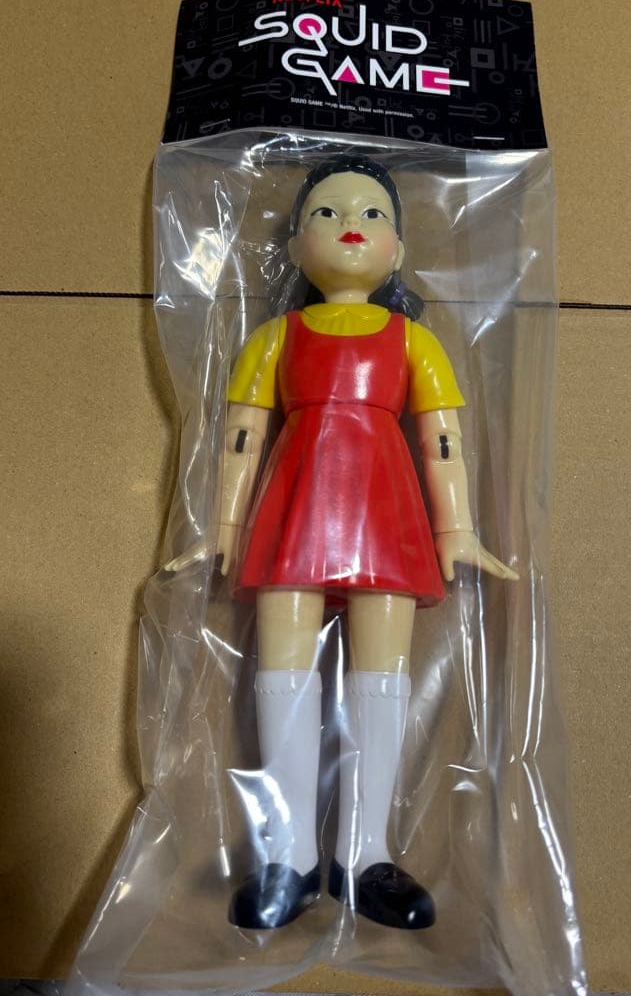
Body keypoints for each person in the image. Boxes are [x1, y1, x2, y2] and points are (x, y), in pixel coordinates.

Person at [216, 154, 516, 930]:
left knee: (382, 676)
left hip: (385, 512)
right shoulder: (275, 338)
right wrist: (222, 527)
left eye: (373, 213)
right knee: (283, 668)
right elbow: (242, 437)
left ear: (398, 250)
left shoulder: (412, 341)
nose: (352, 222)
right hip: (293, 507)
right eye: (327, 211)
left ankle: (363, 852)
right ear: (295, 247)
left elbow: (442, 439)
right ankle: (289, 853)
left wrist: (457, 528)